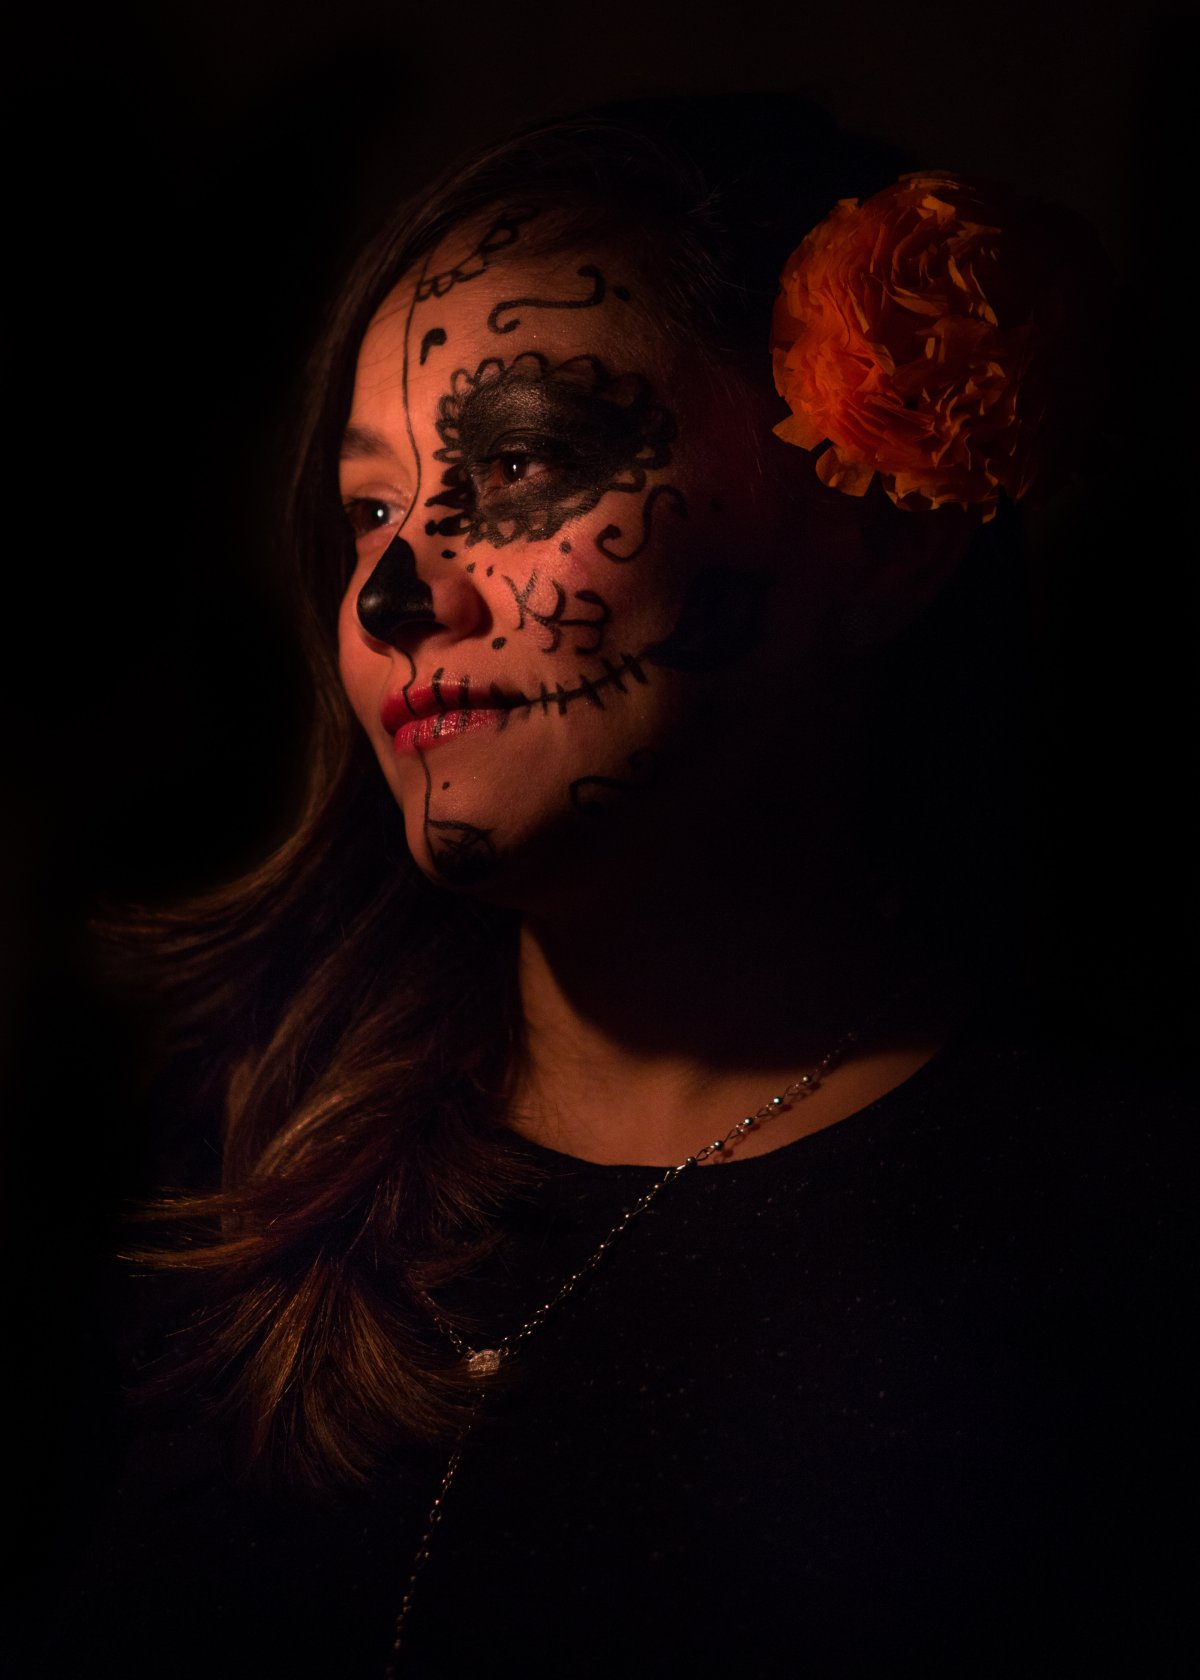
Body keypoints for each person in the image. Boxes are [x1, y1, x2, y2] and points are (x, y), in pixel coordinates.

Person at [40, 97, 1181, 1678]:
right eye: (369, 507)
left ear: (880, 545)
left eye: (518, 462)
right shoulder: (238, 1157)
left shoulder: (1124, 1250)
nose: (392, 596)